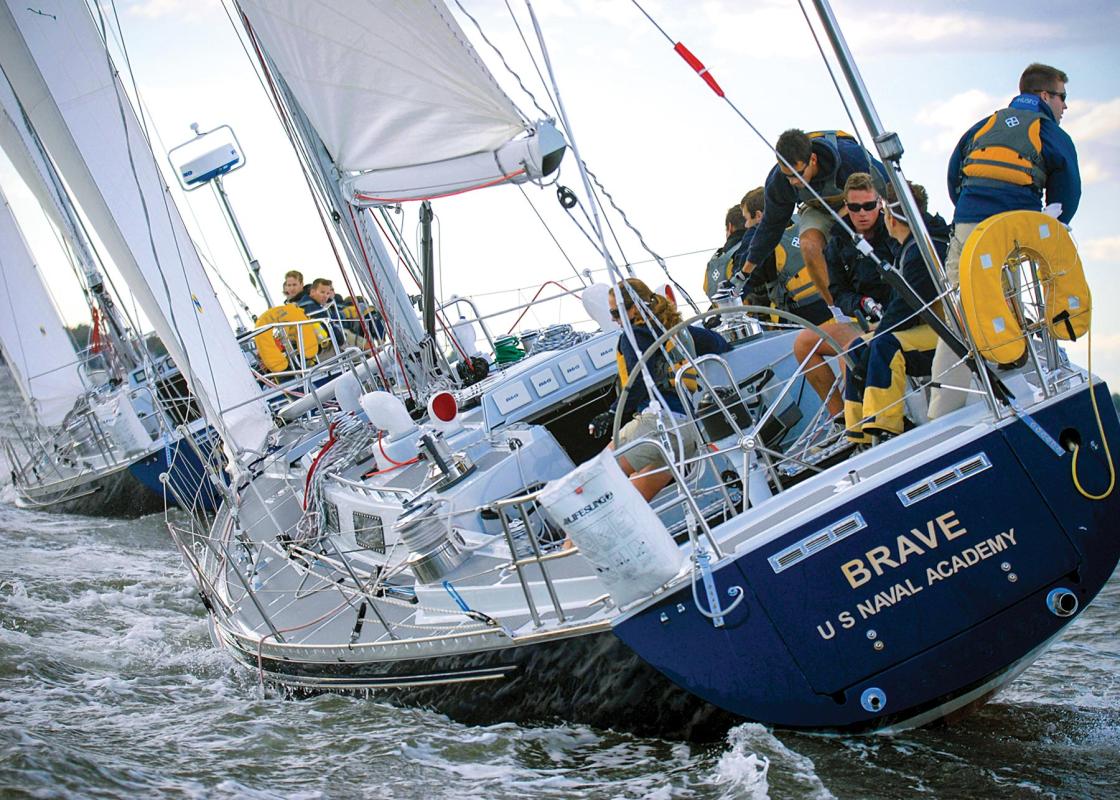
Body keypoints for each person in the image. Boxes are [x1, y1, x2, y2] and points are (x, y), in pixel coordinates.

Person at [929, 62, 1081, 418]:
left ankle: (942, 409)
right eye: (1062, 98)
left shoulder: (983, 124)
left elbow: (955, 176)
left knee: (959, 312)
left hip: (969, 226)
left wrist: (971, 214)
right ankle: (1017, 376)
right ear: (1045, 96)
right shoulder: (1049, 131)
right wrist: (1050, 224)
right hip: (1011, 228)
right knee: (1010, 297)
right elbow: (1067, 190)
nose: (1065, 106)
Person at [843, 182, 950, 444]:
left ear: (890, 216)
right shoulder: (911, 247)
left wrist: (878, 337)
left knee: (885, 345)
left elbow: (907, 307)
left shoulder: (924, 249)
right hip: (930, 326)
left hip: (950, 331)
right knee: (857, 347)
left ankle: (885, 427)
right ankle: (859, 436)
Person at [586, 279, 709, 501]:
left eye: (615, 313)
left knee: (594, 485)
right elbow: (717, 343)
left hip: (660, 424)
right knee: (633, 500)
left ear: (633, 308)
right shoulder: (672, 327)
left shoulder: (634, 336)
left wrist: (612, 412)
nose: (614, 320)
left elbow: (640, 379)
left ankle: (575, 537)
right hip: (688, 430)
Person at [736, 129, 887, 305]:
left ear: (813, 160)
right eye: (788, 176)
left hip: (858, 204)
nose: (793, 181)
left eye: (798, 174)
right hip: (818, 208)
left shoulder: (851, 156)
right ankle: (840, 311)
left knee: (853, 238)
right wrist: (745, 272)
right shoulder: (779, 182)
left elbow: (890, 186)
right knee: (808, 243)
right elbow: (770, 228)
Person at [791, 172, 896, 419]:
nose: (862, 213)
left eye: (869, 206)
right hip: (863, 319)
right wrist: (858, 304)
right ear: (846, 207)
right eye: (855, 207)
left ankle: (862, 422)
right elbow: (839, 292)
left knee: (851, 350)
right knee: (804, 343)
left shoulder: (894, 230)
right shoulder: (838, 240)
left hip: (897, 317)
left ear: (879, 204)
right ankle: (840, 419)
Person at [736, 186, 831, 327]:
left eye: (746, 218)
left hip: (802, 324)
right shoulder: (806, 220)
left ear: (758, 216)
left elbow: (749, 279)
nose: (746, 224)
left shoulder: (758, 239)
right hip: (838, 306)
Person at [703, 206, 750, 302]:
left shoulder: (716, 257)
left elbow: (706, 288)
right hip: (758, 312)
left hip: (723, 312)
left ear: (730, 227)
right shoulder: (755, 248)